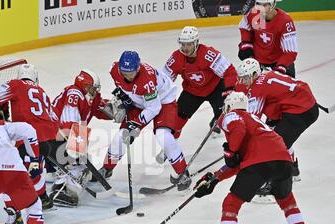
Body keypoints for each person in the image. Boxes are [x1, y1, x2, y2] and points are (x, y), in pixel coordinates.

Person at [192, 92, 313, 224]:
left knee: (231, 203)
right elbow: (240, 163)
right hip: (283, 161)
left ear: (228, 106)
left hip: (261, 164)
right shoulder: (254, 121)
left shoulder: (232, 116)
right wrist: (215, 178)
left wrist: (230, 151)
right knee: (287, 201)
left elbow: (240, 143)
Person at [0, 64, 59, 224]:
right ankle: (44, 198)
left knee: (10, 178)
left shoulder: (16, 85)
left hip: (26, 141)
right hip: (46, 142)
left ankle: (14, 217)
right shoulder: (42, 91)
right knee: (34, 171)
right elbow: (54, 119)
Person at [97, 50, 191, 190]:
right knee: (121, 137)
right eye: (124, 72)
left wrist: (136, 123)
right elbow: (124, 86)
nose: (127, 76)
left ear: (138, 68)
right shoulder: (115, 70)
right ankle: (107, 168)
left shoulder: (146, 81)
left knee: (163, 135)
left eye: (131, 72)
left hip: (164, 100)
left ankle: (183, 173)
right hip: (139, 101)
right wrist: (124, 98)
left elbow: (154, 108)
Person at [236, 58, 320, 180]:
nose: (243, 81)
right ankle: (292, 170)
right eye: (241, 77)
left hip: (300, 111)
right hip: (299, 105)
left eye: (245, 77)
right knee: (275, 136)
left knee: (273, 145)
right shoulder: (264, 74)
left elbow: (253, 119)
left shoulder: (258, 87)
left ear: (254, 74)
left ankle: (277, 180)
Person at [49, 69, 114, 207]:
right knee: (77, 163)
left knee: (81, 161)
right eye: (92, 88)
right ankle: (62, 191)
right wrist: (75, 146)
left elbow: (102, 109)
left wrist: (117, 108)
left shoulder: (88, 98)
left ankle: (62, 178)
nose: (95, 91)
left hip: (55, 136)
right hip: (54, 137)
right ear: (86, 86)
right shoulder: (74, 93)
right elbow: (68, 121)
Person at [163, 26, 237, 137]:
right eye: (183, 44)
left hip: (215, 87)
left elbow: (230, 72)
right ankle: (170, 147)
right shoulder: (176, 58)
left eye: (189, 44)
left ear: (196, 43)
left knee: (225, 116)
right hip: (193, 90)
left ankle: (218, 121)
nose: (185, 48)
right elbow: (164, 80)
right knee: (176, 119)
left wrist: (229, 90)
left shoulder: (208, 54)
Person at [238, 0, 298, 77]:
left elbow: (290, 51)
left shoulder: (285, 21)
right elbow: (245, 27)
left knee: (286, 87)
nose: (260, 8)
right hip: (257, 60)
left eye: (264, 5)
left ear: (273, 5)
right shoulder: (254, 14)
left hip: (278, 60)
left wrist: (281, 67)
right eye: (258, 4)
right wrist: (246, 43)